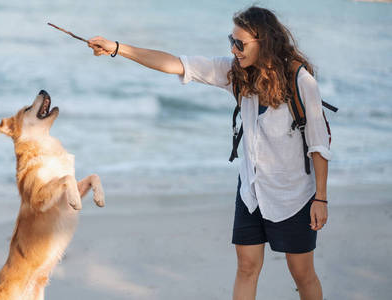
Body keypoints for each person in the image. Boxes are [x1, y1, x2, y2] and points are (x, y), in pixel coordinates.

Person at [87, 5, 330, 300]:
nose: (234, 49)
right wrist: (117, 48)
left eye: (240, 44)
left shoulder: (301, 81)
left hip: (293, 195)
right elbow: (175, 64)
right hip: (252, 191)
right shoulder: (235, 73)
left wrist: (320, 197)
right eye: (232, 40)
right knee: (246, 266)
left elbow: (319, 145)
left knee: (302, 273)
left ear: (263, 42)